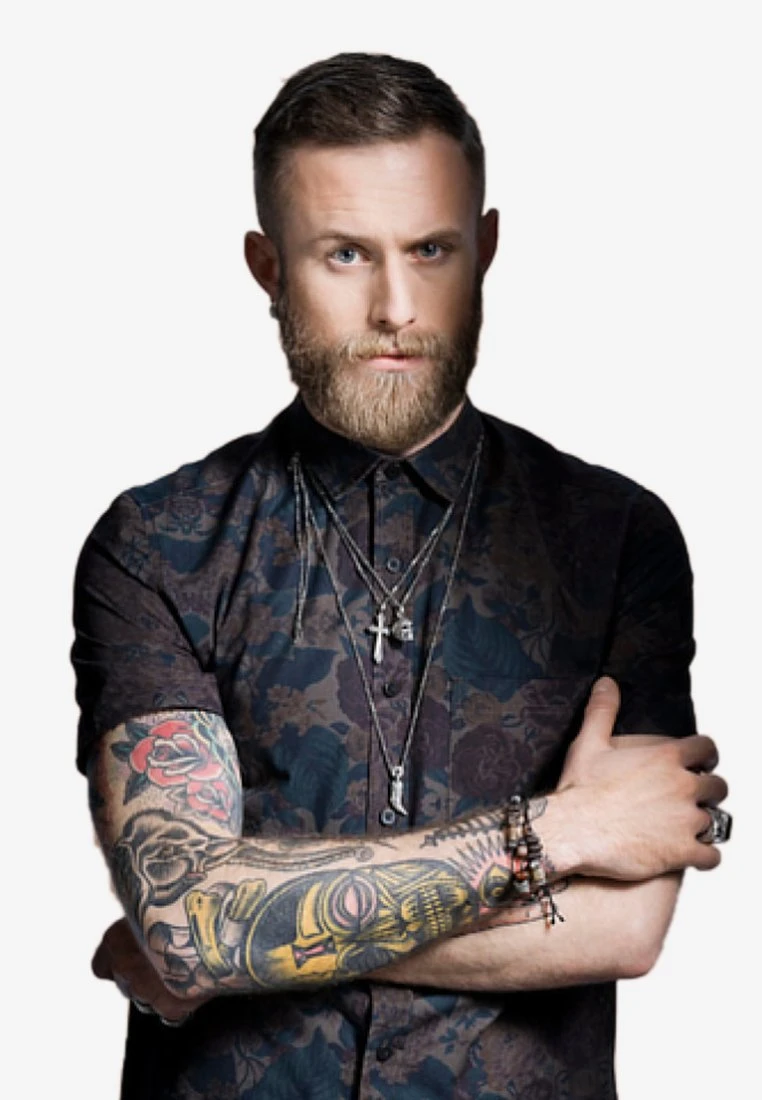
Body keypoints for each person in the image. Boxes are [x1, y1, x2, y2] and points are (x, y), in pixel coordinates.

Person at [72, 52, 731, 1100]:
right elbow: (186, 915)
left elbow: (625, 928)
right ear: (267, 266)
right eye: (344, 254)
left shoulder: (616, 535)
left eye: (432, 250)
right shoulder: (159, 544)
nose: (395, 306)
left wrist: (242, 936)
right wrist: (555, 834)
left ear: (486, 249)